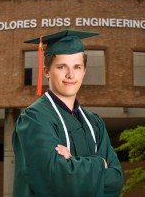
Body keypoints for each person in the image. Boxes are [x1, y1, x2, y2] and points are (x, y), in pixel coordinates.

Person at [12, 29, 124, 197]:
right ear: (47, 71)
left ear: (84, 71)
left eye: (77, 67)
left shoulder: (94, 123)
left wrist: (72, 165)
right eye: (61, 66)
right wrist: (100, 163)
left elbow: (116, 180)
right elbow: (59, 183)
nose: (71, 75)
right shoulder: (34, 120)